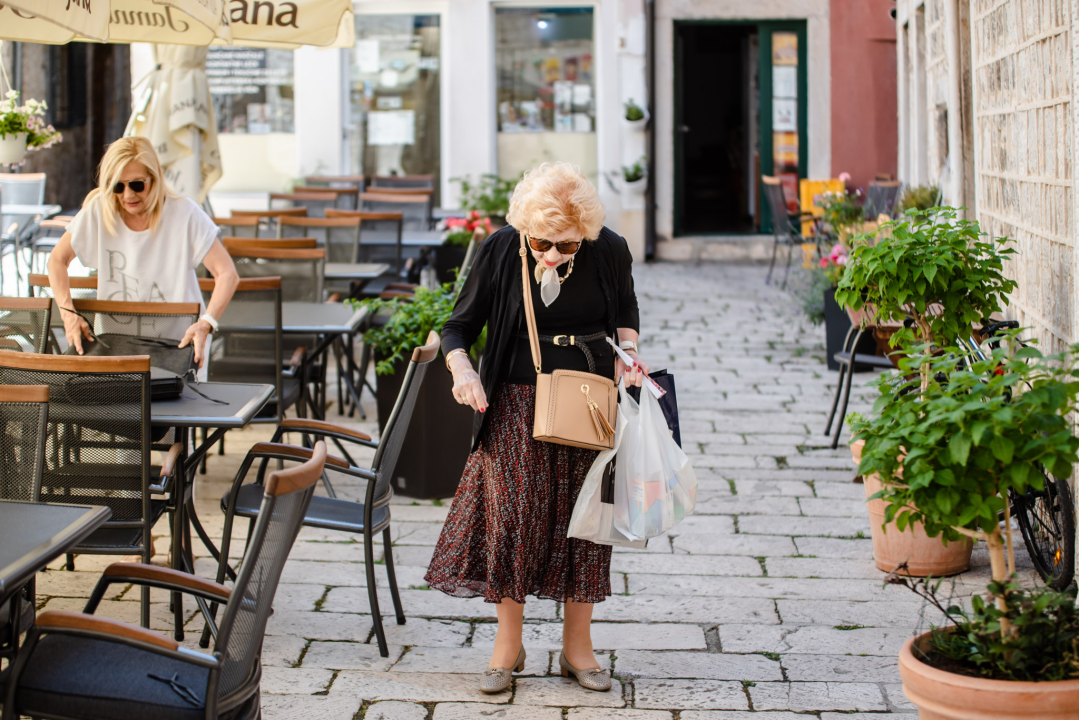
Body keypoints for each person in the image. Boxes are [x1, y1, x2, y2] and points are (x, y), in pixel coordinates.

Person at [425, 162, 648, 693]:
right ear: (525, 228)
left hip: (589, 402)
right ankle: (508, 645)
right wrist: (462, 371)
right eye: (543, 243)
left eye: (567, 247)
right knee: (512, 521)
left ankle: (578, 648)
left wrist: (630, 353)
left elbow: (627, 308)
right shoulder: (502, 248)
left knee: (587, 523)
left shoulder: (608, 248)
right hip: (515, 404)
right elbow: (458, 326)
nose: (553, 255)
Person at [47, 136, 239, 367]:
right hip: (114, 349)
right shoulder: (99, 210)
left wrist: (206, 323)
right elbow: (57, 260)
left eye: (137, 184)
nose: (128, 195)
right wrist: (68, 314)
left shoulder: (184, 213)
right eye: (118, 186)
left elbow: (227, 273)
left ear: (154, 179)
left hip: (177, 348)